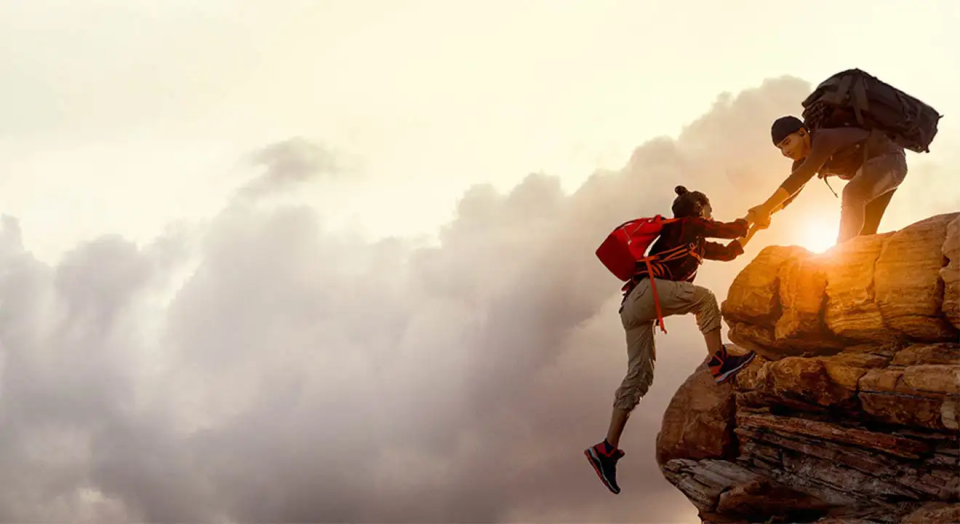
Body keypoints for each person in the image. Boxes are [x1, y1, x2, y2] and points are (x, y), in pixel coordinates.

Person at [584, 186, 758, 495]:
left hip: (634, 307)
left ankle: (606, 449)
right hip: (649, 293)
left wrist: (752, 229)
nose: (710, 215)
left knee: (639, 377)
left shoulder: (693, 241)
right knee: (704, 299)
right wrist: (752, 219)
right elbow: (730, 229)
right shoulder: (687, 224)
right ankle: (719, 362)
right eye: (709, 210)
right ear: (698, 209)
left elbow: (730, 250)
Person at [746, 115, 908, 244]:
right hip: (874, 175)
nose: (785, 151)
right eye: (781, 148)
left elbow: (801, 177)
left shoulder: (823, 138)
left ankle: (840, 253)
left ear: (802, 132)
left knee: (853, 193)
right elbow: (789, 196)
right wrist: (765, 213)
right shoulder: (801, 162)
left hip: (891, 162)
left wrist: (765, 208)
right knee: (864, 238)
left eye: (787, 142)